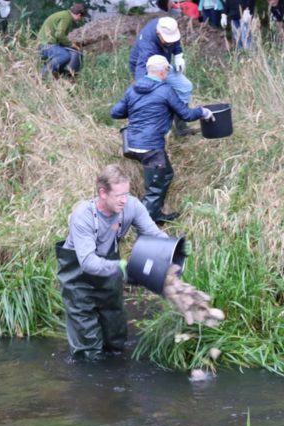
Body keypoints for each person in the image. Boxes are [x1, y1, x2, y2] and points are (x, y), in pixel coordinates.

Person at [55, 165, 169, 361]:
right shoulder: (83, 215)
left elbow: (154, 235)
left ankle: (114, 380)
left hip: (108, 276)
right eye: (118, 195)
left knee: (116, 341)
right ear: (102, 193)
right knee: (88, 350)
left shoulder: (131, 206)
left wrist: (175, 246)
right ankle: (90, 383)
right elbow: (88, 263)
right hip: (78, 279)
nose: (124, 199)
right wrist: (122, 266)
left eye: (126, 193)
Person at [112, 55, 214, 224]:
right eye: (167, 69)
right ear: (162, 71)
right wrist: (203, 112)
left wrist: (136, 110)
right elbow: (186, 115)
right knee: (154, 189)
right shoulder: (165, 90)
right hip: (150, 147)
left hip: (130, 144)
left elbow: (115, 112)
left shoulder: (133, 89)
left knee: (166, 174)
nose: (168, 72)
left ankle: (156, 214)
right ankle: (143, 225)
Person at [128, 16, 199, 136]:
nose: (170, 42)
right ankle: (152, 133)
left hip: (163, 64)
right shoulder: (148, 43)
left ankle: (181, 129)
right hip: (146, 68)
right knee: (156, 98)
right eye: (167, 40)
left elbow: (175, 41)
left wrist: (178, 55)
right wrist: (141, 87)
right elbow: (141, 66)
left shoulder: (169, 25)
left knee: (185, 86)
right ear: (158, 33)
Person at [38, 3, 87, 78]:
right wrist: (71, 44)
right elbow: (59, 35)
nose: (81, 20)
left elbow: (59, 36)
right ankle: (43, 74)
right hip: (45, 44)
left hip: (47, 43)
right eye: (82, 18)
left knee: (65, 53)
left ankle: (56, 76)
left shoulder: (65, 15)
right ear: (79, 15)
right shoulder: (66, 18)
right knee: (64, 55)